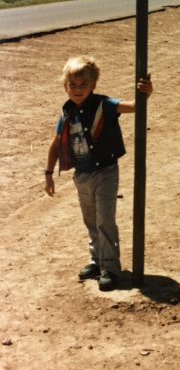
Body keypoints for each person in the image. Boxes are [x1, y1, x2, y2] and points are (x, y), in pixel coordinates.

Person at [44, 56, 152, 291]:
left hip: (105, 172)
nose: (78, 89)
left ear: (93, 84)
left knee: (105, 219)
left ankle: (110, 268)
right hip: (81, 175)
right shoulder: (67, 112)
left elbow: (133, 107)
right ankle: (96, 259)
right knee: (90, 220)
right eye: (72, 85)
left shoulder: (104, 105)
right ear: (66, 87)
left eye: (83, 84)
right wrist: (48, 173)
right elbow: (55, 145)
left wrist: (146, 93)